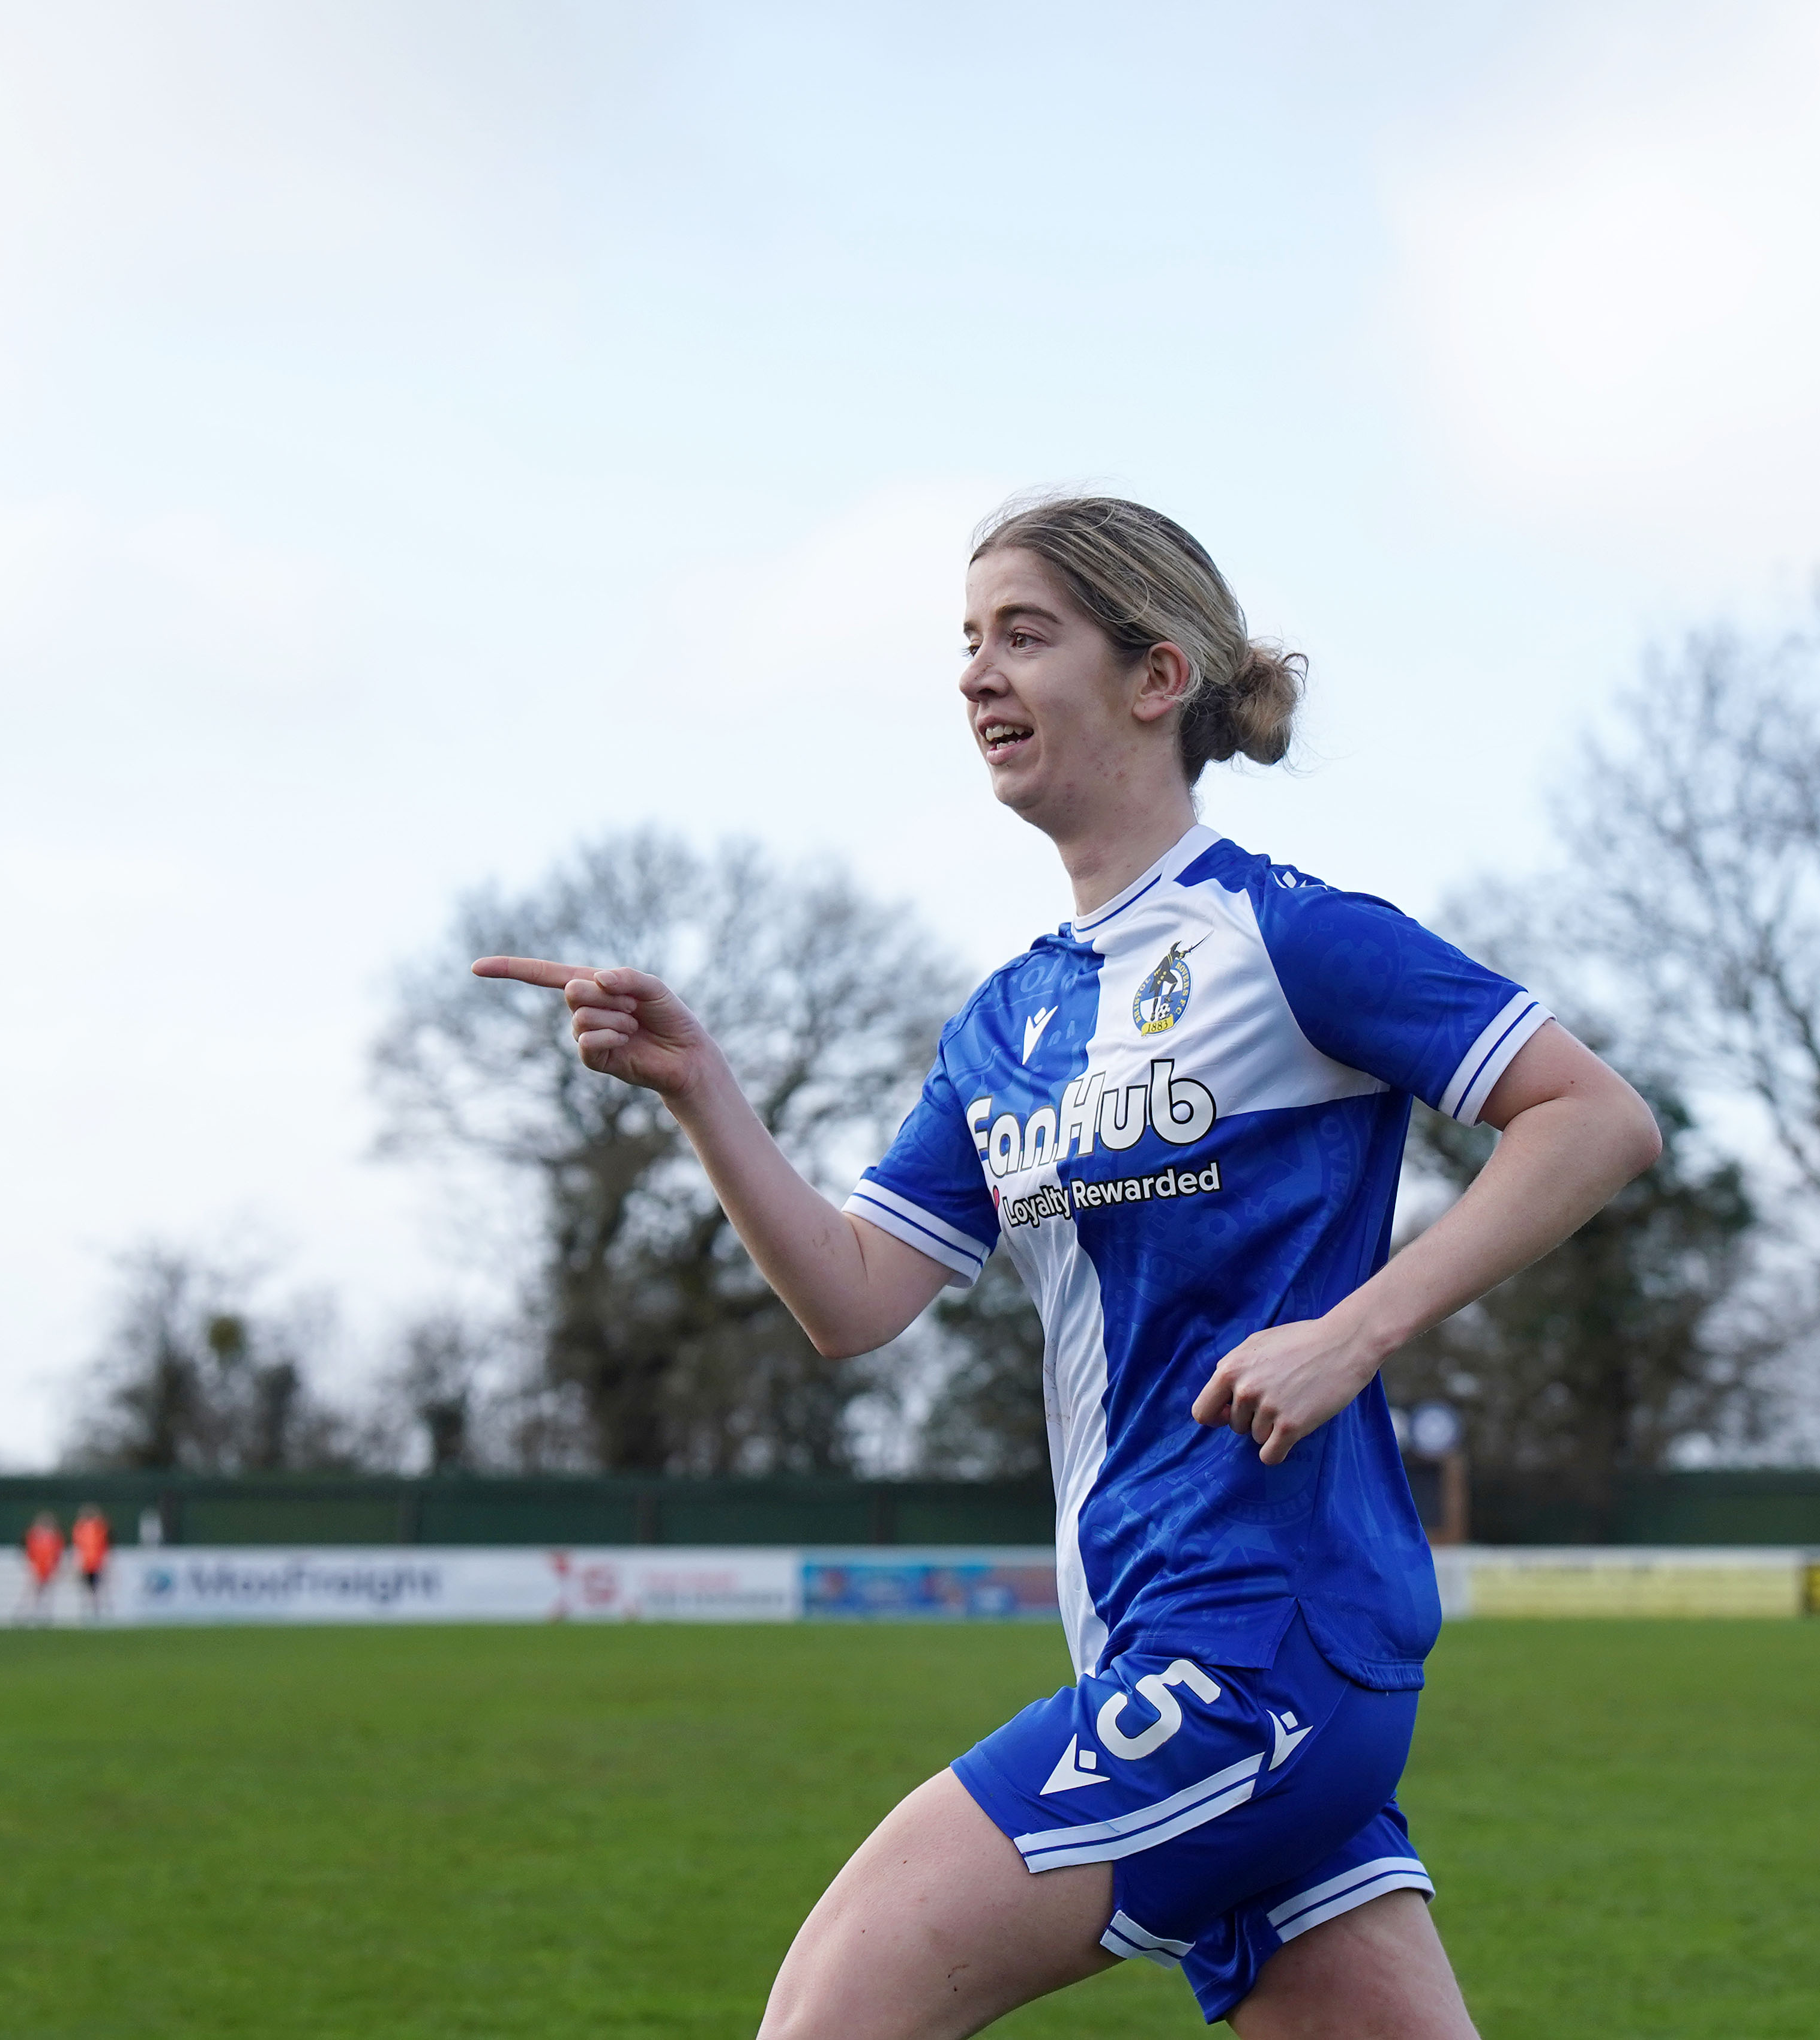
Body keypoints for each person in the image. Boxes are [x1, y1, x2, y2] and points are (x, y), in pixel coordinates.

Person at [474, 496, 1659, 2038]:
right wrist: (703, 1090)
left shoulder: (1289, 936)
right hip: (1165, 1644)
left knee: (839, 2001)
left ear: (1157, 676)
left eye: (1025, 634)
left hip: (1261, 1646)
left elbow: (1593, 1116)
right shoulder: (1004, 1023)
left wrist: (1355, 1331)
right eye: (969, 641)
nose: (978, 672)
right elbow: (854, 1297)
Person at [20, 1509, 65, 1625]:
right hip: (37, 1567)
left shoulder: (55, 1536)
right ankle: (27, 1614)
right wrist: (31, 1565)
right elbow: (29, 1551)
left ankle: (45, 1615)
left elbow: (58, 1553)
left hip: (49, 1568)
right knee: (32, 1593)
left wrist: (56, 1567)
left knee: (48, 1593)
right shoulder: (33, 1535)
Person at [71, 1504, 112, 1618]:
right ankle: (89, 1611)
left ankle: (98, 1611)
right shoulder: (81, 1528)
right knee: (88, 1589)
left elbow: (104, 1535)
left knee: (98, 1588)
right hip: (86, 1564)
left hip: (96, 1563)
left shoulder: (97, 1527)